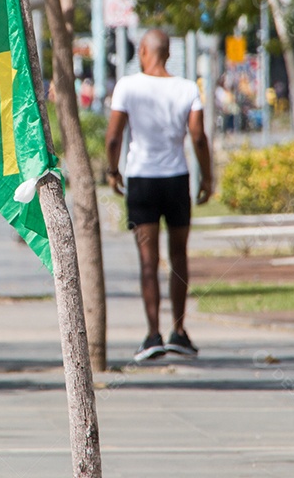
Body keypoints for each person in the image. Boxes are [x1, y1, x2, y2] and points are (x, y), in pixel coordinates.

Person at [105, 29, 214, 361]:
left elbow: (113, 138)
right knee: (179, 257)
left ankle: (152, 335)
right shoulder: (186, 88)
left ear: (142, 51)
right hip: (176, 180)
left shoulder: (127, 85)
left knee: (148, 261)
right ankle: (179, 332)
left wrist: (112, 170)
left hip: (142, 182)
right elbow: (198, 136)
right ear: (167, 53)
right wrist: (207, 176)